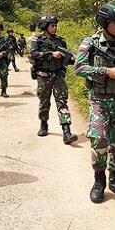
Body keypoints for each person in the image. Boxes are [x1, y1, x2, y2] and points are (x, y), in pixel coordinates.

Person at [74, 3, 115, 203]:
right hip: (99, 100)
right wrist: (105, 72)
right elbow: (79, 68)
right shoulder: (91, 43)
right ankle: (99, 181)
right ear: (104, 23)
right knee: (100, 139)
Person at [29, 15, 78, 145]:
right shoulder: (38, 40)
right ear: (45, 26)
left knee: (62, 102)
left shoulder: (61, 41)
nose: (55, 28)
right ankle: (44, 124)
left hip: (58, 75)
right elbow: (33, 54)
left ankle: (66, 131)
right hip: (43, 76)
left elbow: (66, 59)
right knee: (44, 102)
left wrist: (73, 59)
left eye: (56, 25)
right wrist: (51, 54)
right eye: (52, 25)